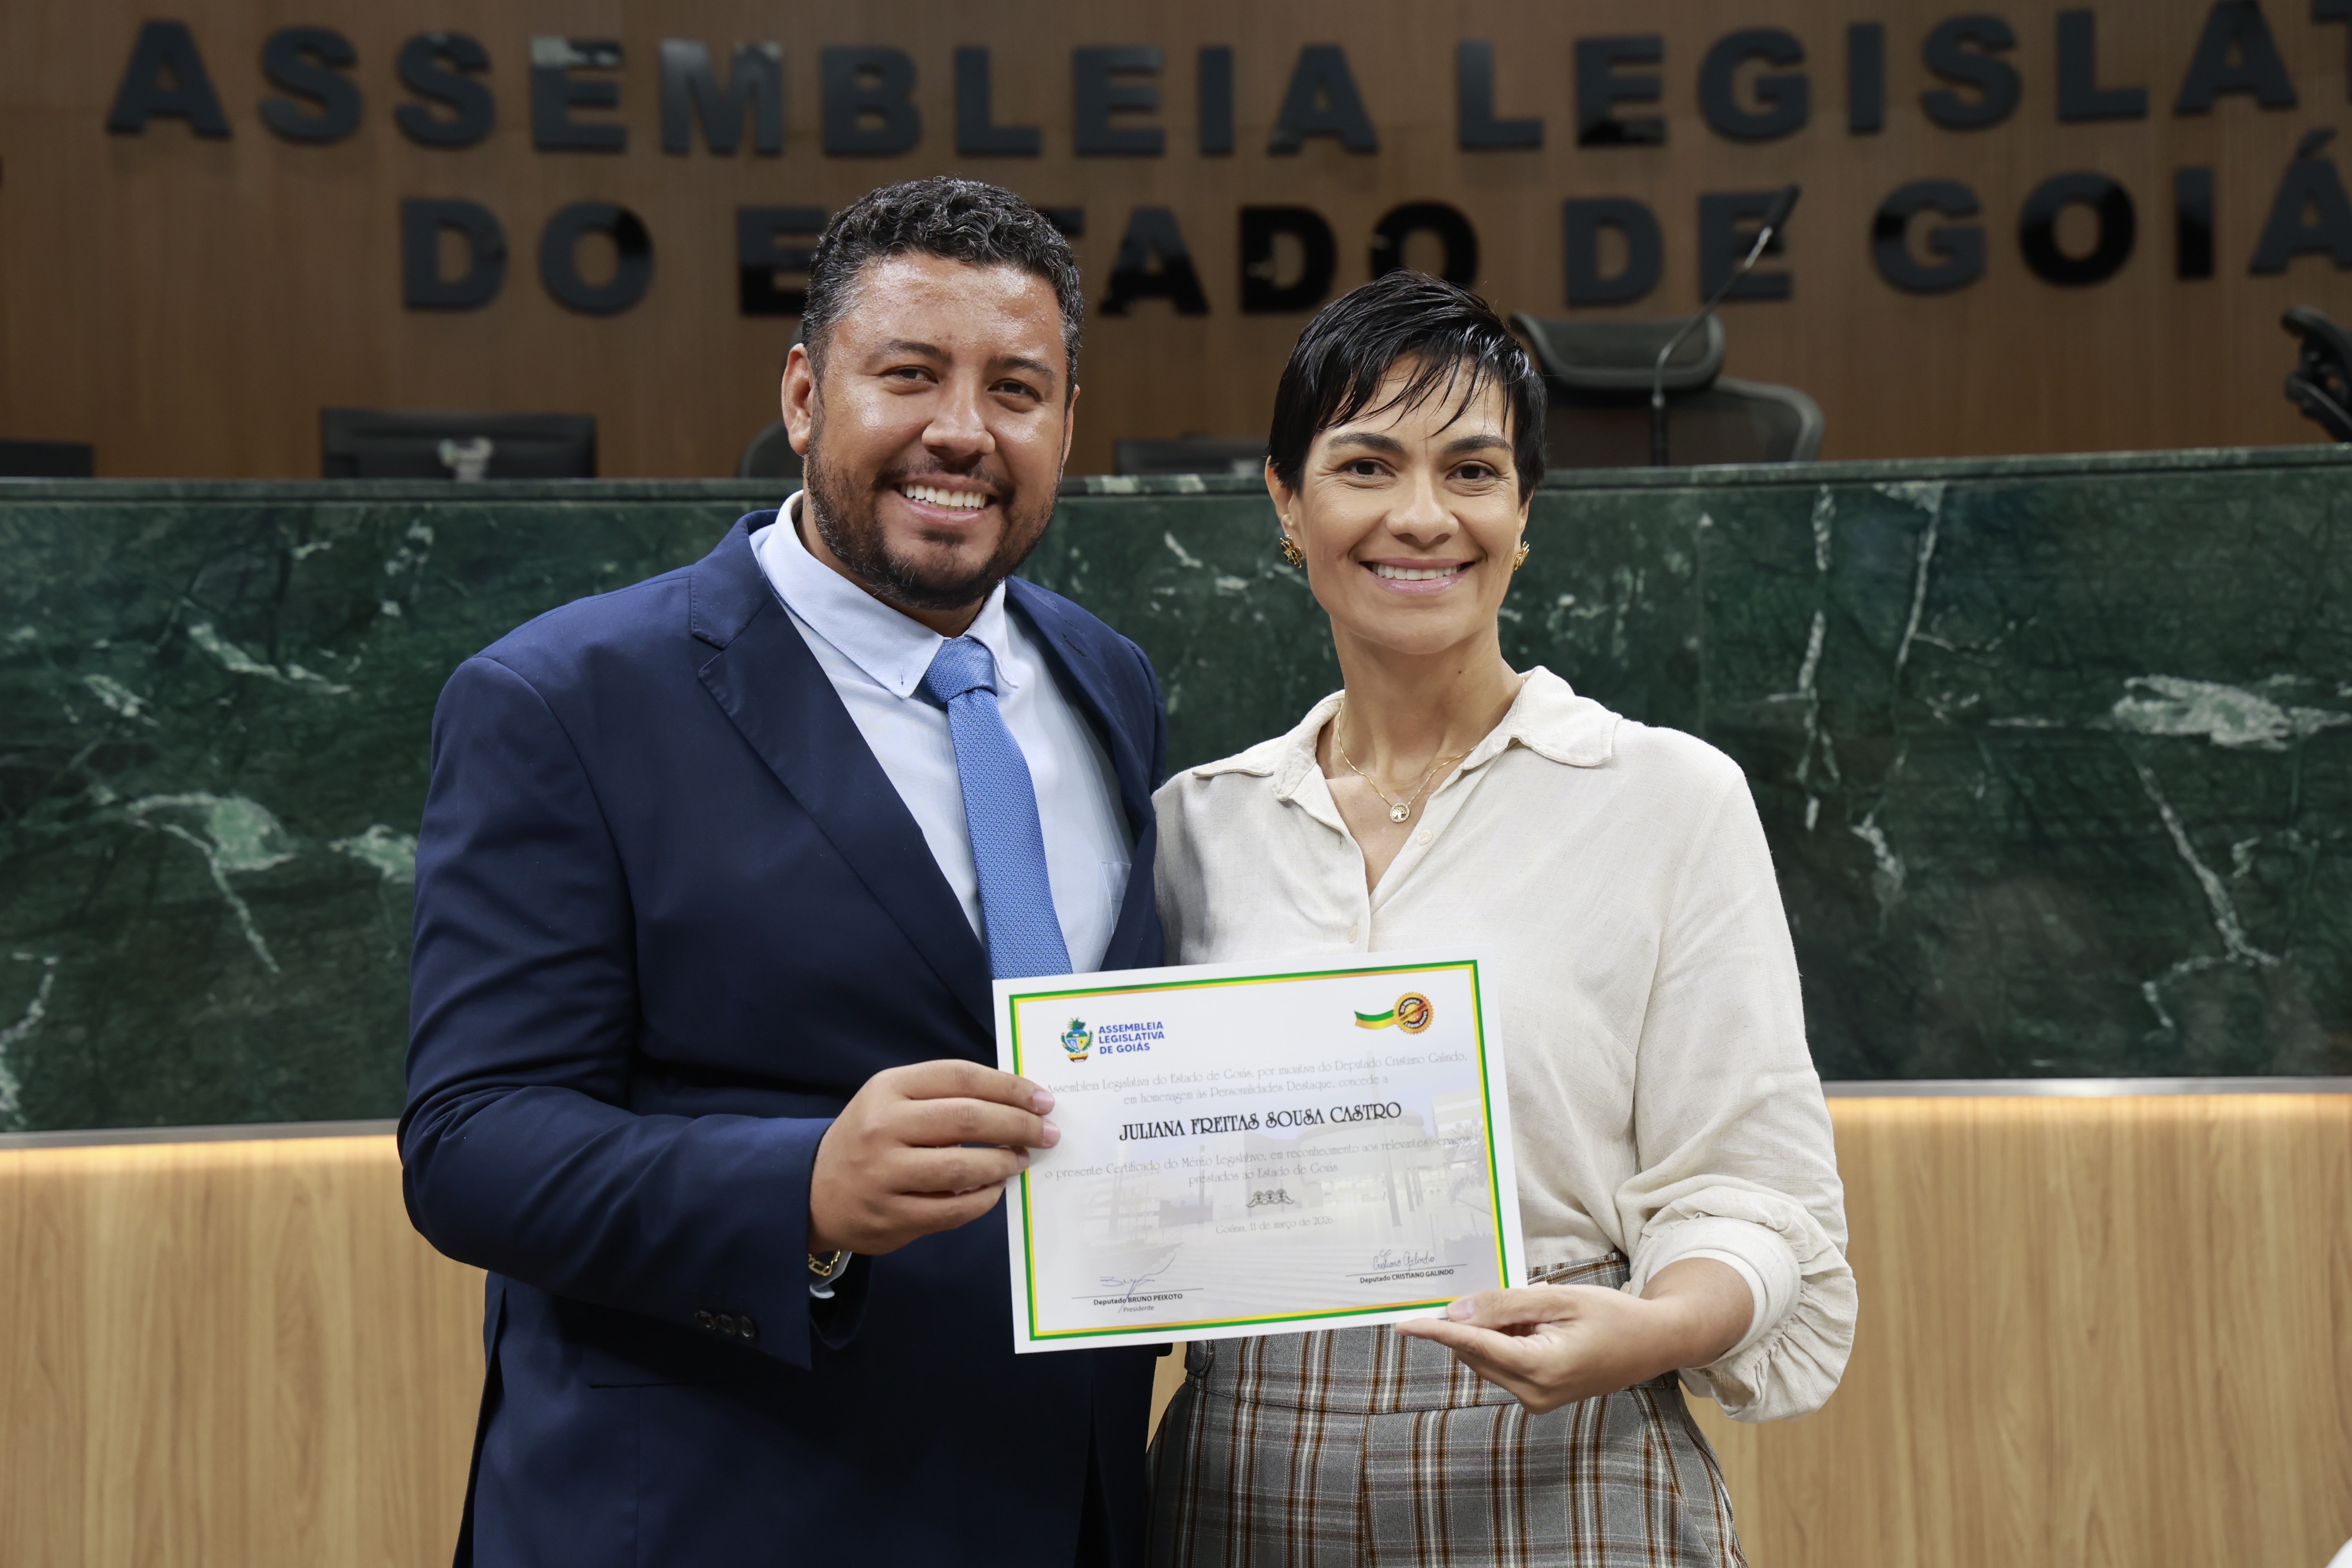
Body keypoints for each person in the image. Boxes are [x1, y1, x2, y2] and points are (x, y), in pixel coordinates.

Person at [403, 178, 1167, 1567]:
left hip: (1060, 1506)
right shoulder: (564, 698)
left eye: (1015, 388)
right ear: (807, 396)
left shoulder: (1105, 676)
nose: (962, 429)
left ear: (1065, 426)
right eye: (910, 373)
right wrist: (802, 1187)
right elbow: (470, 1143)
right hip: (719, 1511)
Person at [1146, 272, 1855, 1567]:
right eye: (1367, 465)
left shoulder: (1669, 798)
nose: (1424, 515)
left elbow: (1755, 1198)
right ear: (1287, 502)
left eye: (1473, 471)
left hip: (1566, 1454)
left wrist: (1652, 1329)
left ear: (1525, 512)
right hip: (1242, 1468)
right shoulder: (1195, 826)